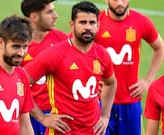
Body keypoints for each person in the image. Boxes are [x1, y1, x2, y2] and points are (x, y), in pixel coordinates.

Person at [23, 1, 117, 134]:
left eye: (92, 23)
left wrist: (105, 115)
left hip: (93, 131)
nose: (88, 27)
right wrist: (42, 118)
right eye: (82, 22)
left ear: (98, 25)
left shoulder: (102, 54)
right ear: (72, 25)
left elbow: (111, 82)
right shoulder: (54, 54)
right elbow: (19, 82)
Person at [94, 0, 164, 135]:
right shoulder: (95, 23)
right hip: (101, 104)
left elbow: (159, 48)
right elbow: (76, 51)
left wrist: (148, 80)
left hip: (130, 102)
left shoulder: (141, 21)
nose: (120, 2)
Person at [20, 0, 68, 134]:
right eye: (49, 12)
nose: (56, 15)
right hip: (29, 116)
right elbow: (14, 85)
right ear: (34, 17)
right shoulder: (18, 46)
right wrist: (41, 117)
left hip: (58, 116)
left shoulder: (62, 39)